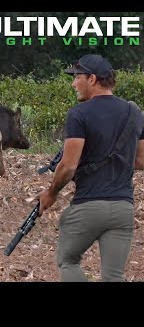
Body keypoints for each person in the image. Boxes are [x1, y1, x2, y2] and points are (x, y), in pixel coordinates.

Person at [38, 54, 144, 282]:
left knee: (68, 260)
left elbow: (68, 166)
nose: (73, 83)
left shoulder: (79, 114)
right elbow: (141, 161)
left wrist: (51, 193)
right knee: (114, 275)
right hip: (123, 209)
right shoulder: (135, 114)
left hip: (89, 205)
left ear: (92, 79)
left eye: (77, 77)